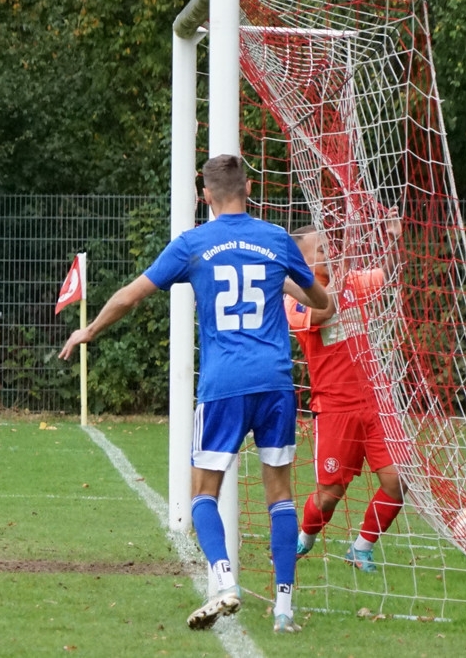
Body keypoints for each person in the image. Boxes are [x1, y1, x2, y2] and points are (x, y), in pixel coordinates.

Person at [58, 154, 330, 634]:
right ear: (249, 187)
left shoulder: (194, 244)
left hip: (224, 384)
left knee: (203, 491)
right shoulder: (276, 240)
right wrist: (281, 282)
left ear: (204, 195)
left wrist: (90, 332)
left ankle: (224, 580)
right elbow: (321, 302)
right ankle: (285, 610)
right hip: (275, 382)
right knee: (281, 494)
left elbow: (130, 294)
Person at [286, 209, 406, 574]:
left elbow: (389, 275)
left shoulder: (353, 278)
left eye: (329, 245)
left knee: (398, 481)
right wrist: (341, 270)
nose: (329, 251)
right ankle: (305, 537)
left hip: (375, 401)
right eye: (319, 249)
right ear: (300, 261)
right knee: (328, 497)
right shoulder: (291, 297)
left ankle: (361, 547)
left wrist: (392, 239)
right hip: (335, 408)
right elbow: (325, 310)